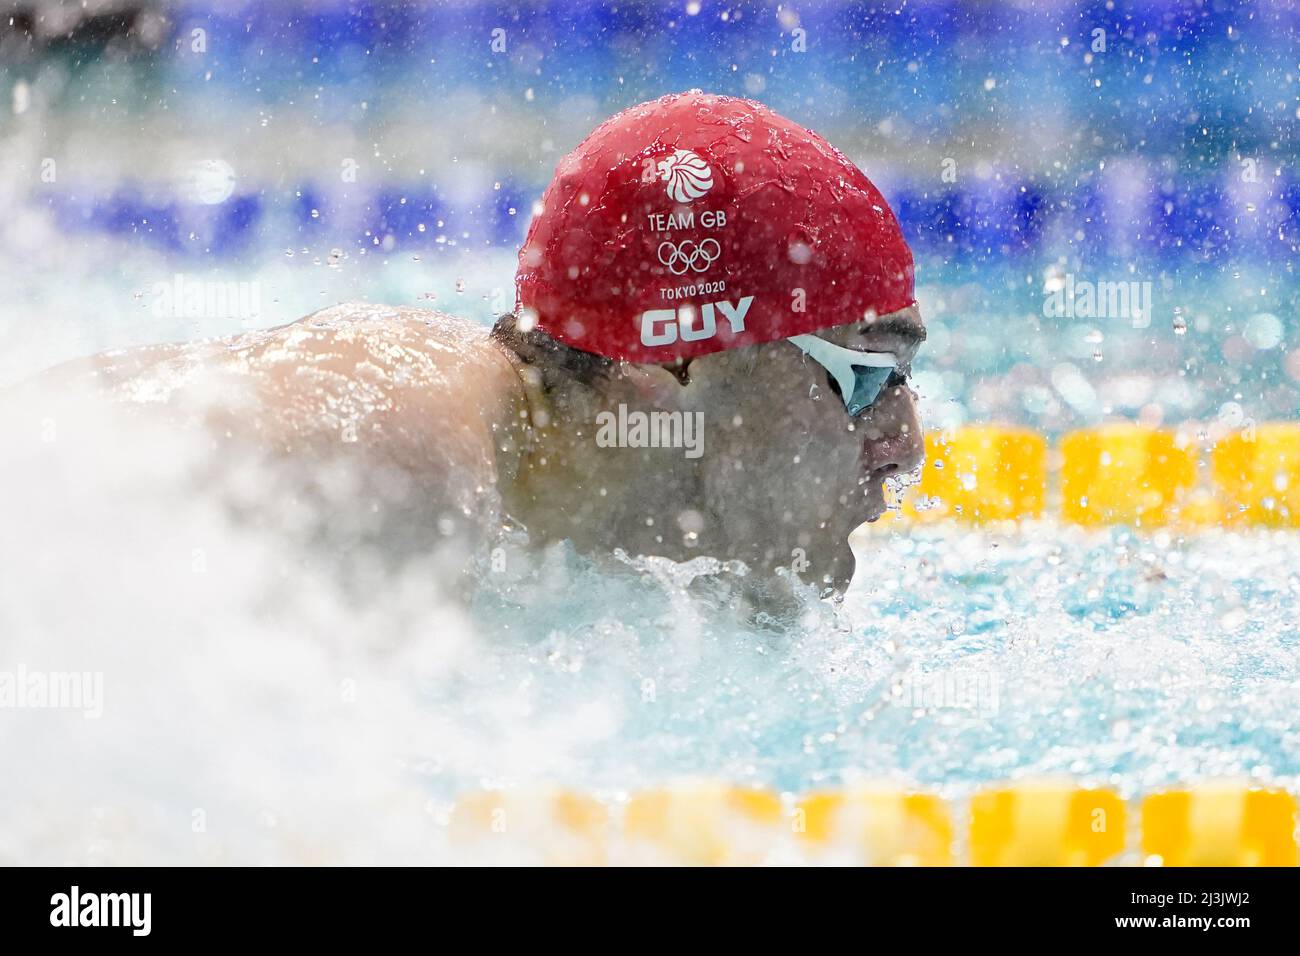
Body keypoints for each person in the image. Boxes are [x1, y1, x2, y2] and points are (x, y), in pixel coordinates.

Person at [19, 91, 925, 596]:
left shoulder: (516, 510)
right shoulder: (391, 461)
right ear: (667, 363)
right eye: (865, 378)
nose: (905, 444)